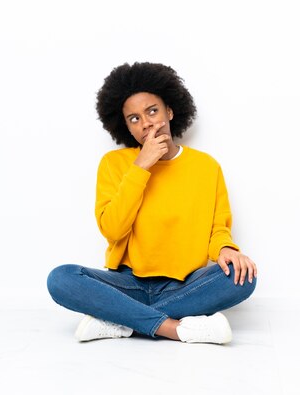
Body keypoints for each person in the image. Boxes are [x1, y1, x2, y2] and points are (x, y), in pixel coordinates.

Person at [47, 62, 257, 344]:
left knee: (243, 277)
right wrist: (141, 166)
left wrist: (227, 249)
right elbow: (112, 230)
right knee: (61, 278)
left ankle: (120, 321)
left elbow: (218, 227)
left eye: (152, 111)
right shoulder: (114, 164)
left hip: (184, 285)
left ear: (169, 111)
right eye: (134, 119)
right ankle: (174, 328)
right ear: (126, 127)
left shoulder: (206, 167)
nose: (145, 122)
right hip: (126, 283)